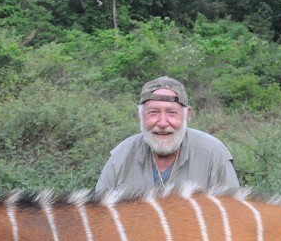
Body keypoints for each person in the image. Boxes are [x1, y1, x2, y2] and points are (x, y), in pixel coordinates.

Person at [96, 76, 240, 192]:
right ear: (139, 115)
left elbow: (233, 216)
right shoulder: (120, 157)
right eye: (153, 112)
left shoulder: (214, 154)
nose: (163, 123)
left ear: (187, 115)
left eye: (172, 113)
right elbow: (100, 217)